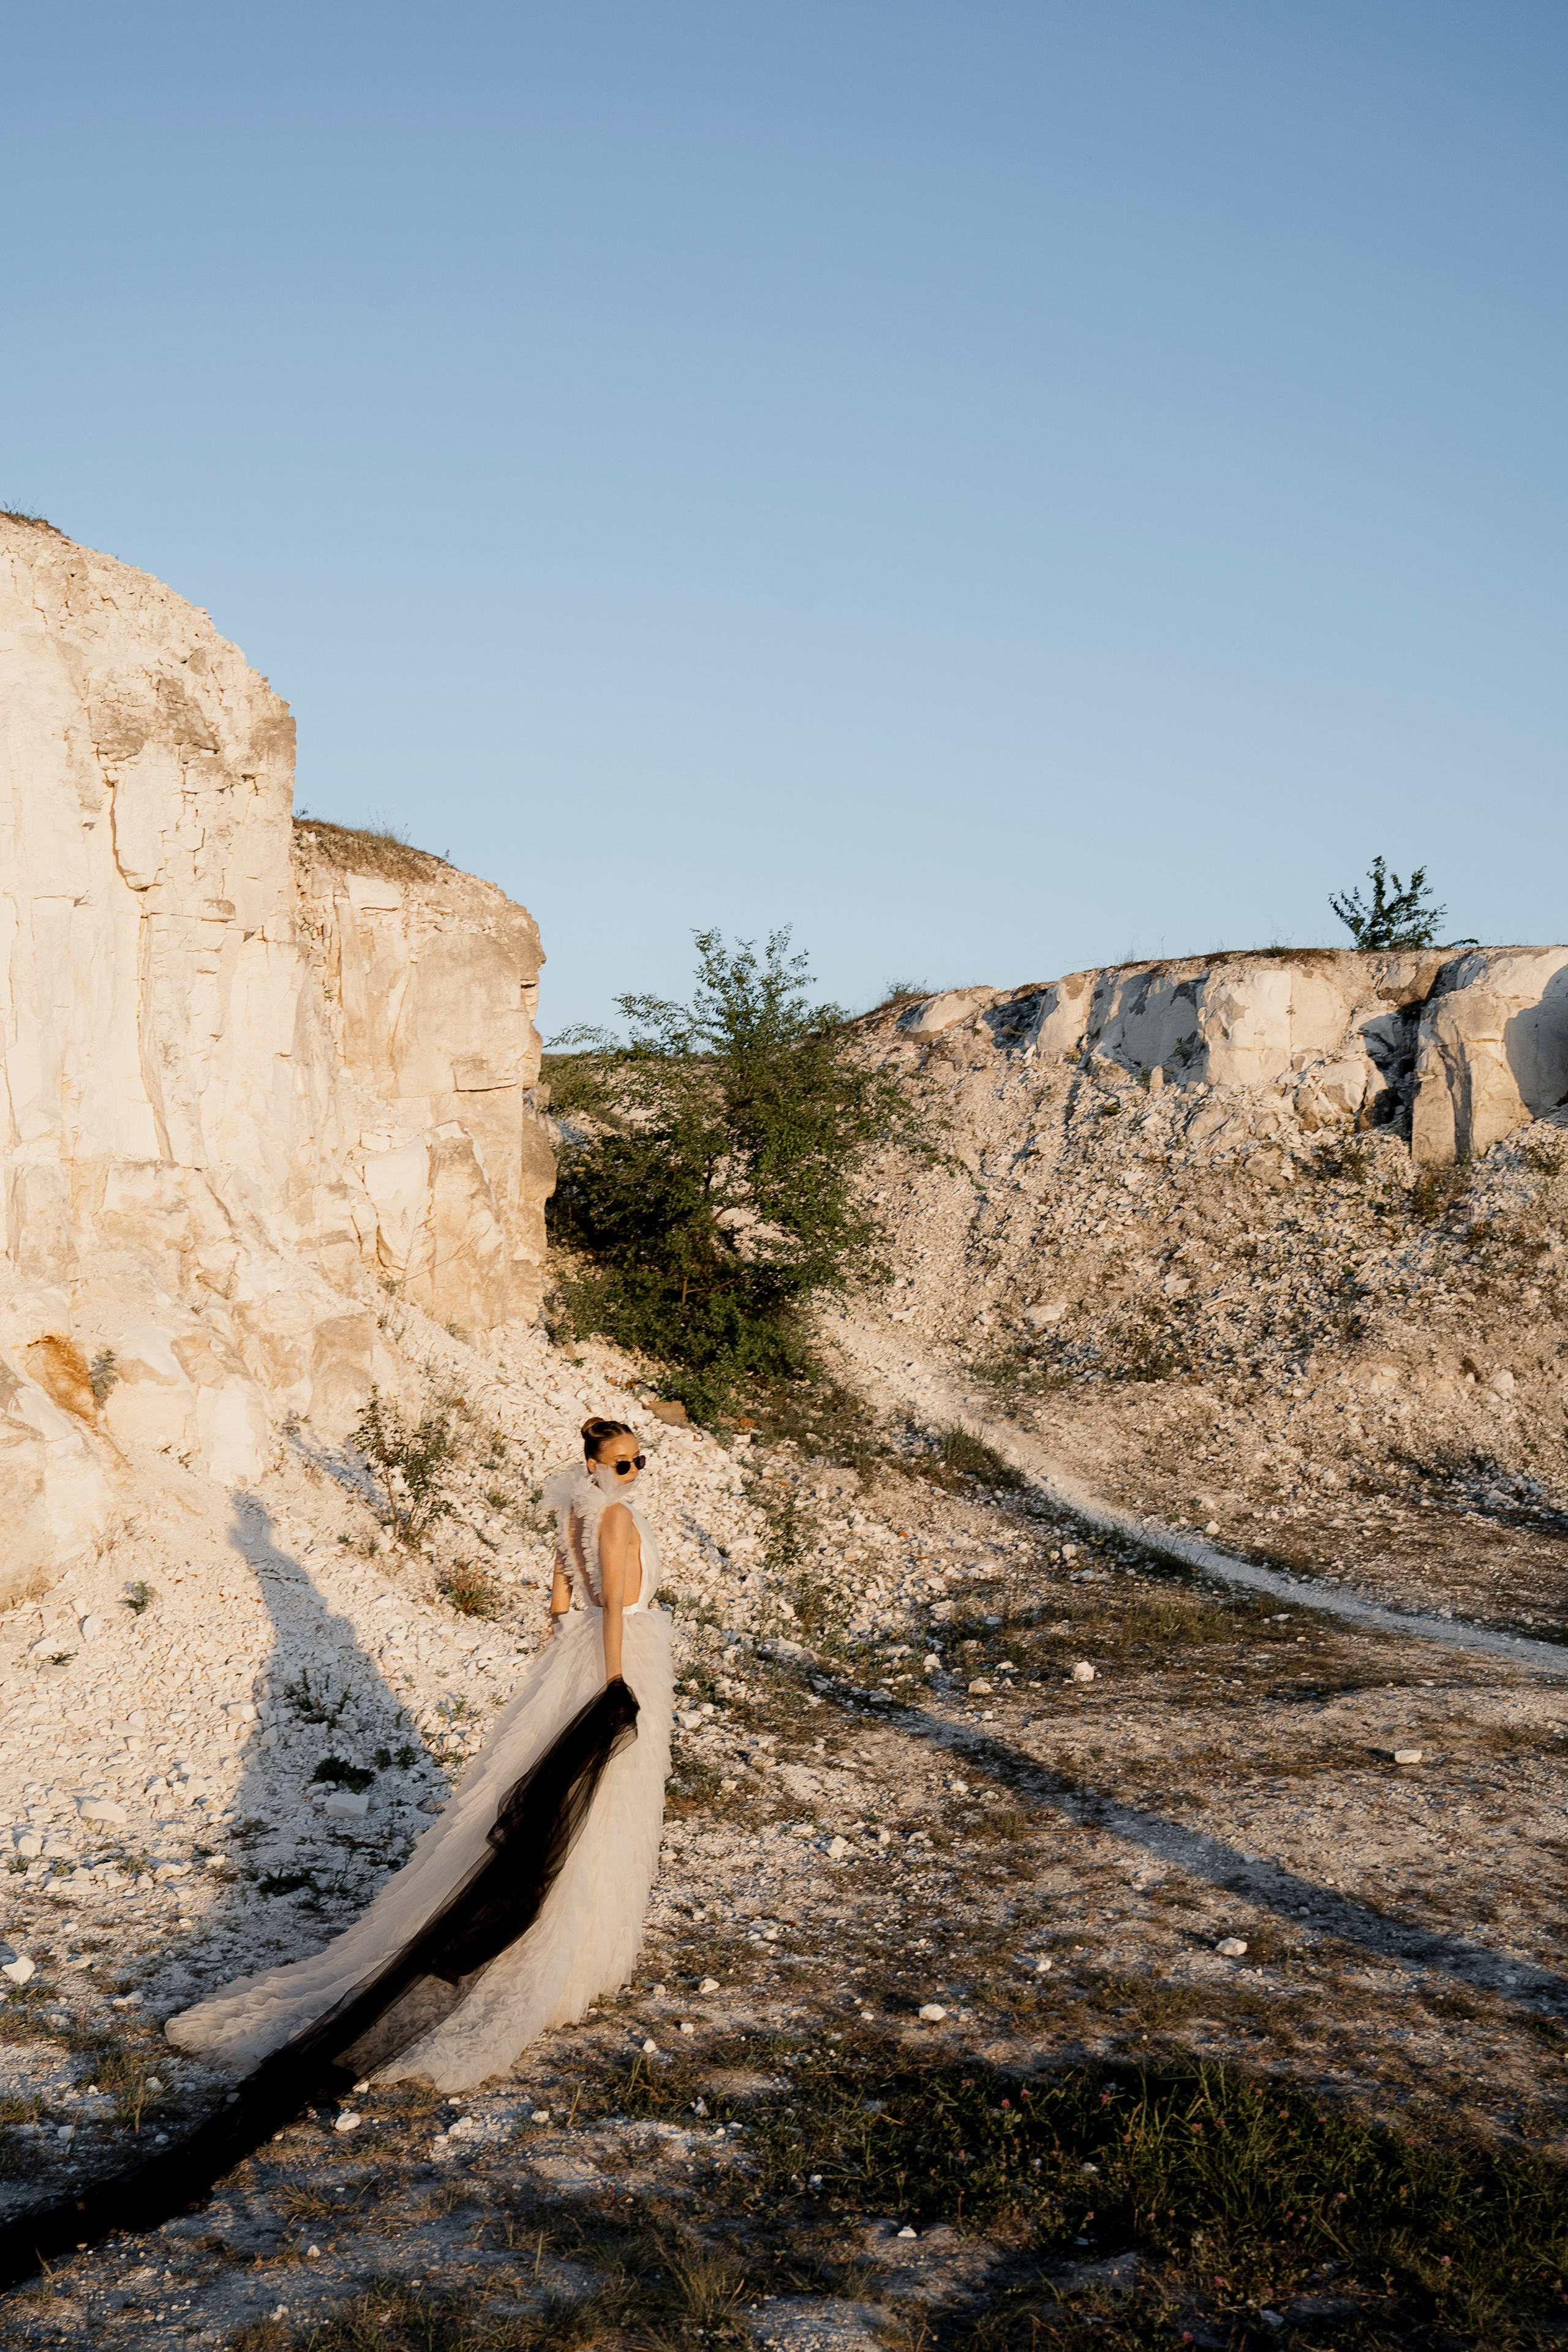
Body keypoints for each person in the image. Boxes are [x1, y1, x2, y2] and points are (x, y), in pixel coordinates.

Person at [0, 1417, 672, 2285]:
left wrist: (563, 1663)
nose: (635, 1472)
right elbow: (615, 1607)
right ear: (596, 1463)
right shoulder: (613, 1518)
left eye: (639, 1460)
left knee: (544, 1817)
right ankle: (564, 1960)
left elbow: (557, 1599)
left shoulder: (574, 1514)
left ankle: (562, 1947)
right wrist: (614, 1689)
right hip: (617, 1660)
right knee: (601, 1808)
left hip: (571, 1660)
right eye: (625, 1462)